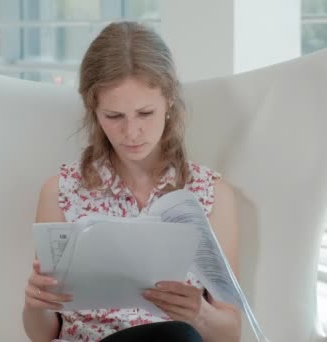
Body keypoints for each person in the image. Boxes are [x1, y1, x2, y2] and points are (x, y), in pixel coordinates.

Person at [22, 21, 241, 342]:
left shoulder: (210, 195)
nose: (131, 133)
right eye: (114, 116)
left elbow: (231, 334)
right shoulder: (60, 192)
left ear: (169, 101)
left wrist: (200, 314)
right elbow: (43, 335)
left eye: (145, 113)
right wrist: (35, 305)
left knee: (179, 336)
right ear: (93, 111)